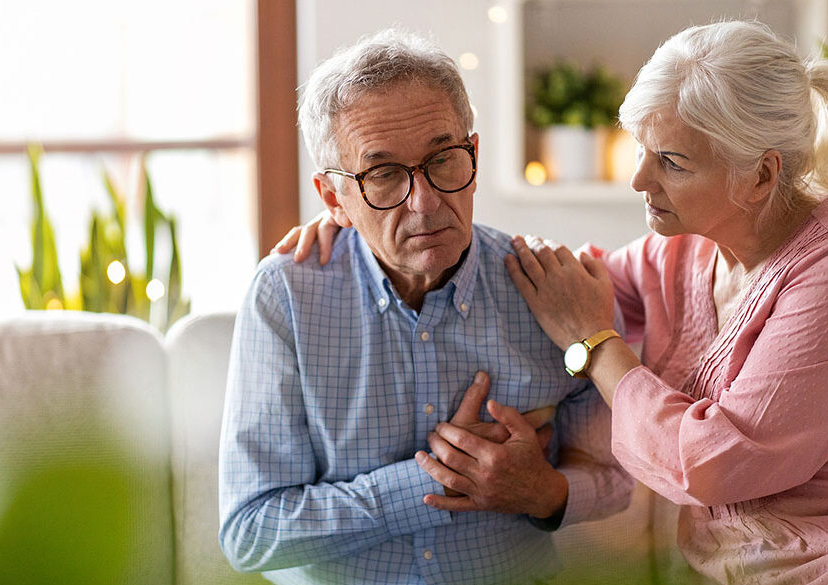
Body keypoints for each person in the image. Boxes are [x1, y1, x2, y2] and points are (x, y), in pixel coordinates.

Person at [277, 20, 828, 585]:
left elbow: (715, 466)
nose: (638, 179)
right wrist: (357, 224)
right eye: (641, 148)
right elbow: (550, 280)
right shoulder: (684, 253)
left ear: (759, 176)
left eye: (670, 161)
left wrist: (596, 347)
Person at [218, 28, 633, 585]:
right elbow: (251, 532)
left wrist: (544, 491)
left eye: (443, 159)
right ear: (333, 198)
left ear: (475, 157)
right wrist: (435, 481)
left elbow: (616, 478)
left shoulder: (553, 290)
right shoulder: (287, 297)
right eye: (383, 175)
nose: (426, 202)